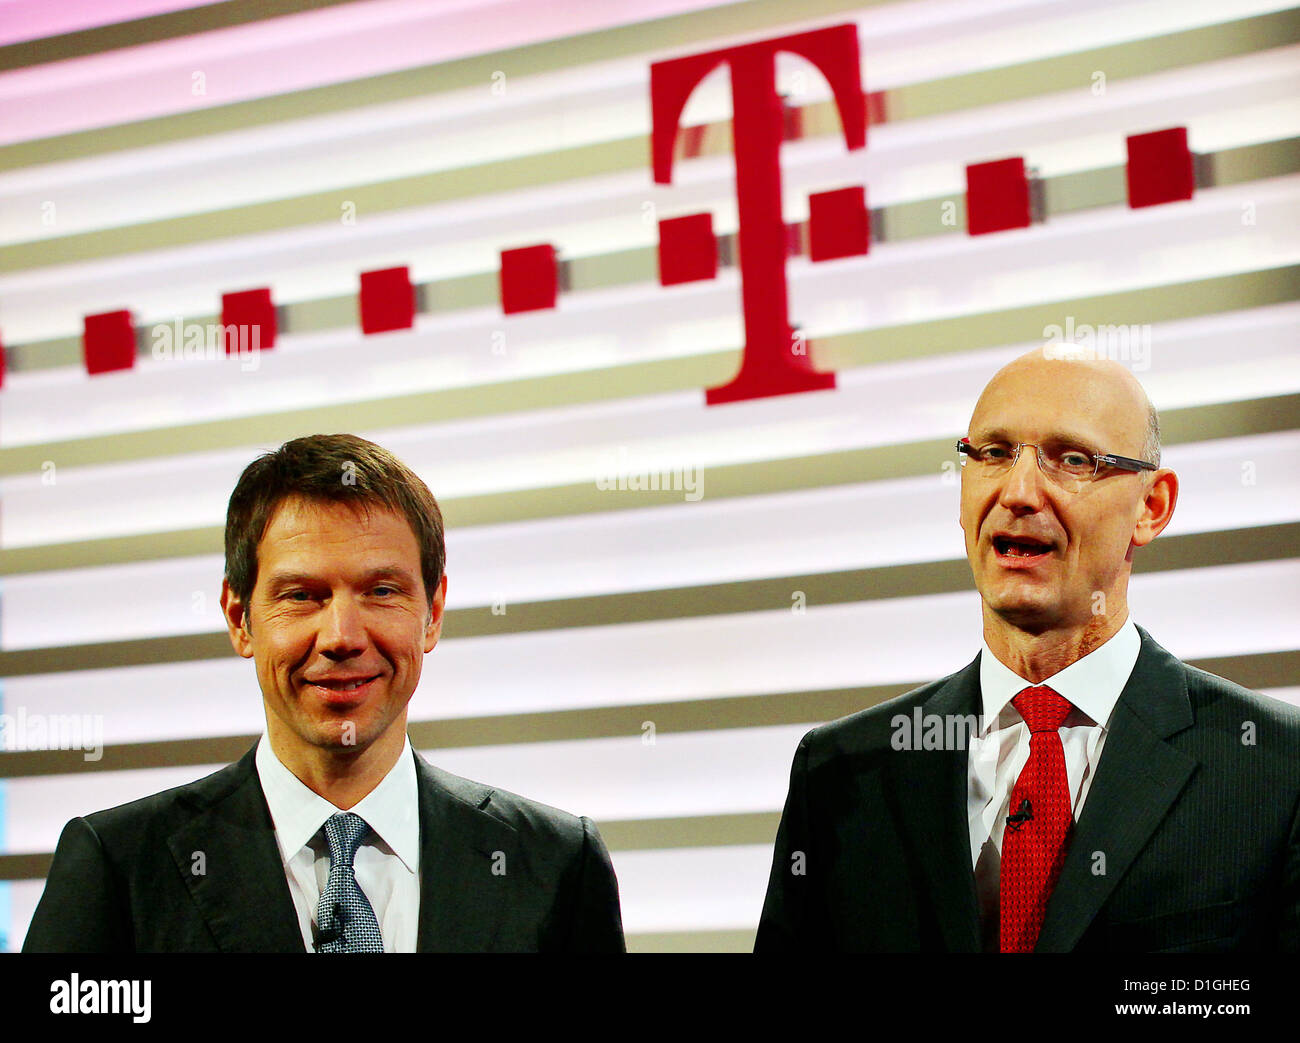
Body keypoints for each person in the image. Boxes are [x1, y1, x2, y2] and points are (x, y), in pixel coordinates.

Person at [755, 347, 1300, 952]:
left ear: (1152, 507)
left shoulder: (1276, 768)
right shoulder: (840, 773)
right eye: (992, 454)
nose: (1018, 492)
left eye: (1071, 459)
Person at [24, 434, 625, 952]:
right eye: (301, 595)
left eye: (381, 591)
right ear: (240, 619)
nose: (341, 637)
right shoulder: (119, 868)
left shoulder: (555, 864)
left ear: (433, 612)